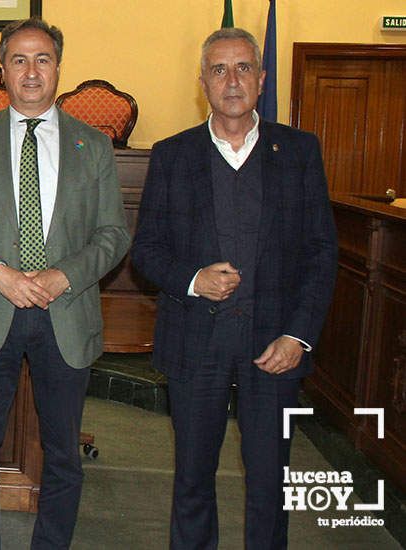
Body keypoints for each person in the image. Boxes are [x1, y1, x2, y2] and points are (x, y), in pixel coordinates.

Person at [131, 27, 338, 550]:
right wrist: (193, 279)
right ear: (202, 83)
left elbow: (321, 251)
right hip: (196, 345)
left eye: (243, 68)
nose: (231, 80)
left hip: (275, 348)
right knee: (193, 481)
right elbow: (147, 251)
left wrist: (299, 335)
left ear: (261, 79)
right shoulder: (173, 154)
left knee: (271, 485)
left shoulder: (299, 151)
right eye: (219, 70)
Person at [0, 18, 130, 550]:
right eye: (18, 60)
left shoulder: (94, 145)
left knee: (63, 453)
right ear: (3, 71)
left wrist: (63, 273)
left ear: (58, 68)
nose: (30, 71)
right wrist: (0, 273)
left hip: (65, 313)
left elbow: (114, 234)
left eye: (42, 59)